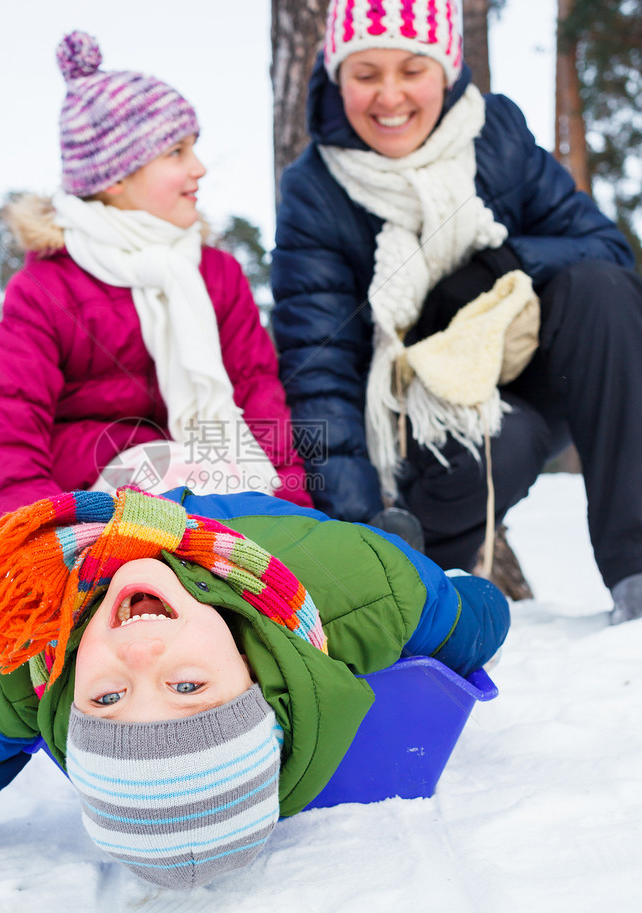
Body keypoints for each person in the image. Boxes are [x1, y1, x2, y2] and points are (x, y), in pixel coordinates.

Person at [0, 485, 509, 890]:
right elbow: (470, 620)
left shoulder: (26, 653)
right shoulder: (358, 589)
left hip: (112, 519)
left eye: (109, 698)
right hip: (268, 528)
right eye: (188, 684)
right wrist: (465, 597)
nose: (139, 653)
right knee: (398, 556)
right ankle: (391, 531)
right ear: (255, 681)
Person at [271, 0, 642, 624]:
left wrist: (493, 268)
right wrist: (360, 530)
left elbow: (604, 246)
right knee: (507, 438)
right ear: (337, 77)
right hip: (418, 423)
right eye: (366, 75)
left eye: (412, 69)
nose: (389, 98)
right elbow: (320, 369)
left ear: (446, 70)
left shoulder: (494, 133)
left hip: (526, 363)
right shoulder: (316, 187)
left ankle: (636, 572)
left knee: (600, 288)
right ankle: (406, 580)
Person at [0, 30, 310, 524]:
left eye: (195, 148)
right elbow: (3, 433)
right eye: (176, 153)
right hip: (94, 498)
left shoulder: (215, 276)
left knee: (244, 498)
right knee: (188, 485)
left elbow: (258, 401)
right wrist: (47, 537)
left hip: (207, 481)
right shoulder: (50, 289)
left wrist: (294, 516)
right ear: (116, 176)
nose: (200, 168)